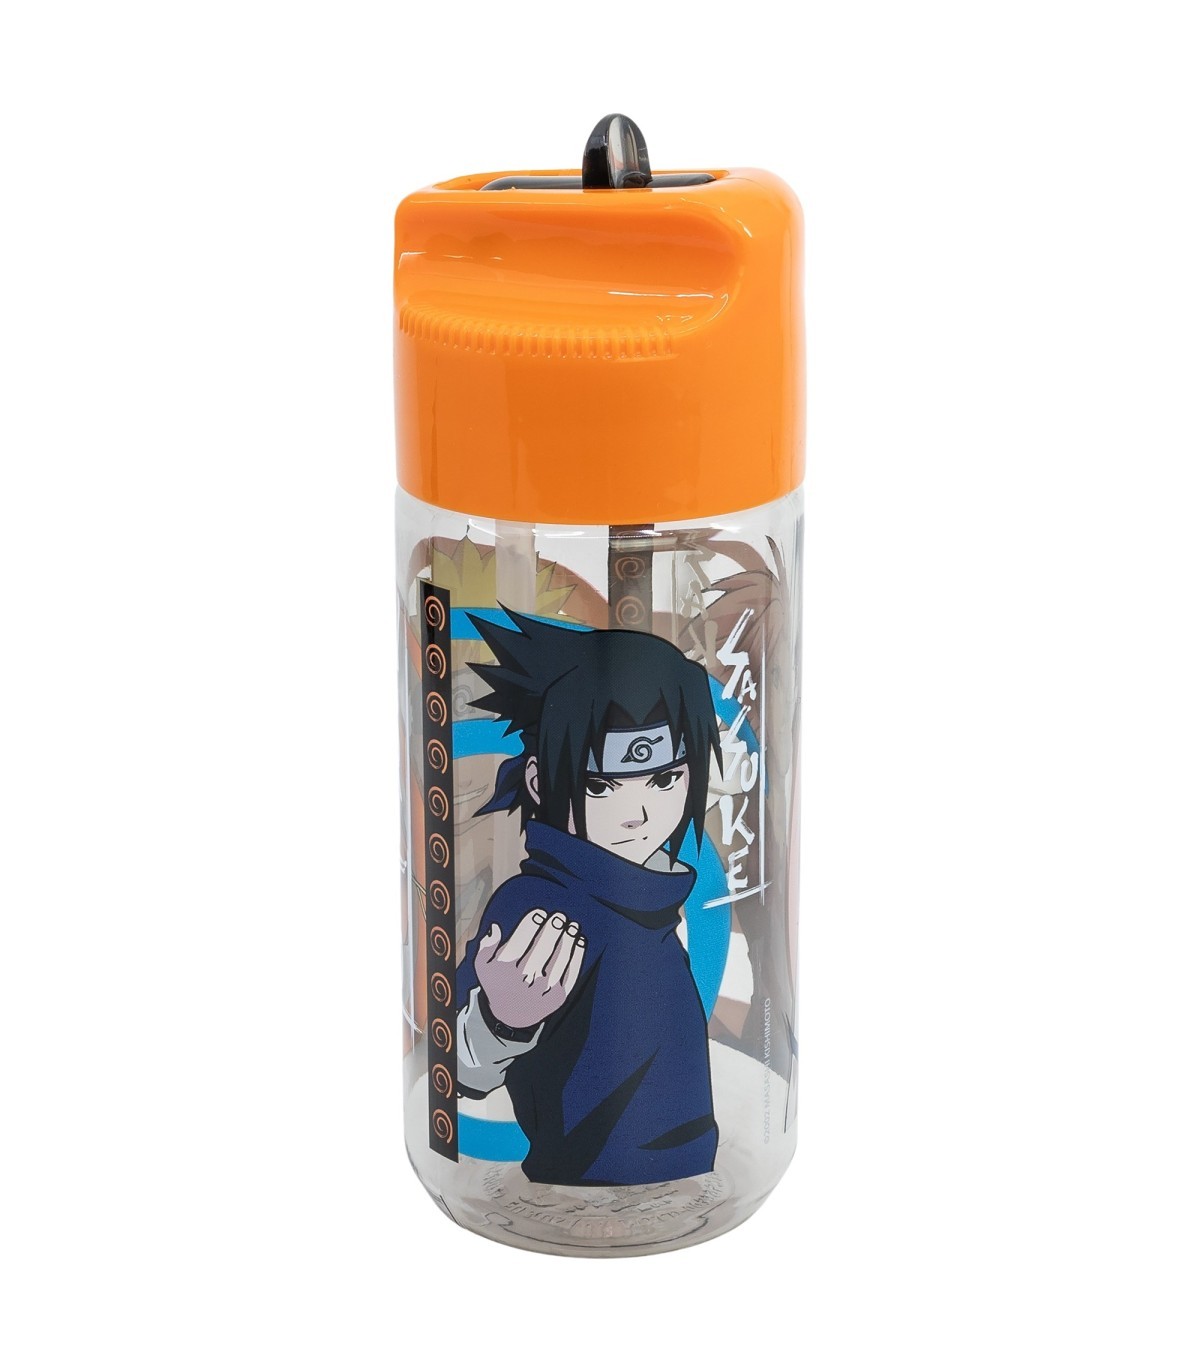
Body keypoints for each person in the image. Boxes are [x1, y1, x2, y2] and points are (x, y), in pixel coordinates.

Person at [455, 610, 722, 1186]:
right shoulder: (538, 906)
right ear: (538, 782)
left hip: (688, 1182)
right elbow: (447, 1068)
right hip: (573, 1192)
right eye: (599, 786)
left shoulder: (653, 893)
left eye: (665, 779)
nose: (638, 813)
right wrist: (501, 1021)